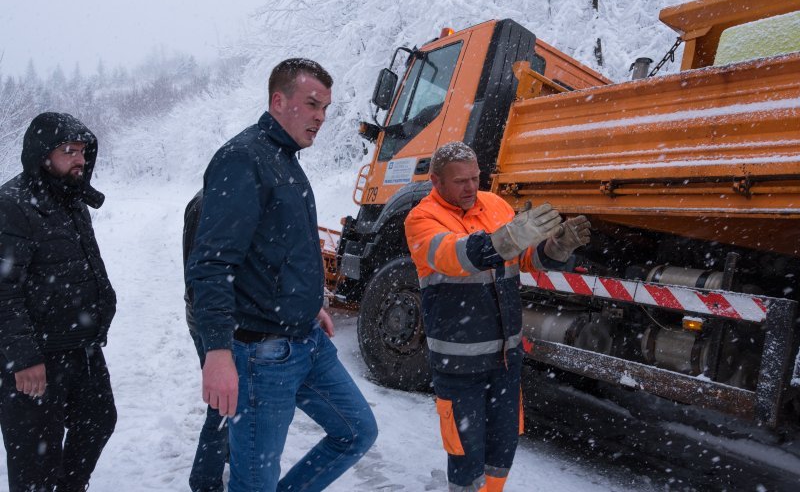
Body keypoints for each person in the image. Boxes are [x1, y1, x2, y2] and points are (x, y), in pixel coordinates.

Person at [186, 58, 378, 492]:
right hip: (261, 356)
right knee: (255, 483)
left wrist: (314, 304)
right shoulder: (242, 159)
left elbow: (288, 248)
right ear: (278, 100)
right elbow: (212, 263)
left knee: (356, 432)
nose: (321, 117)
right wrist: (217, 351)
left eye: (326, 108)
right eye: (312, 104)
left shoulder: (285, 159)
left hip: (306, 342)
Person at [405, 141, 590, 492]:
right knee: (466, 454)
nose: (471, 187)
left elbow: (524, 258)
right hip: (459, 365)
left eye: (475, 178)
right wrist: (503, 240)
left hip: (505, 359)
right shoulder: (421, 219)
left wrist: (556, 248)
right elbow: (455, 256)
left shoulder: (494, 205)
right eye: (460, 181)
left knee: (502, 450)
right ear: (436, 181)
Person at [0, 112, 117, 492]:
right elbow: (4, 289)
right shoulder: (13, 204)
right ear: (42, 155)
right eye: (69, 151)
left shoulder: (71, 199)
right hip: (37, 356)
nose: (80, 159)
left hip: (79, 347)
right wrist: (24, 358)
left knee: (99, 421)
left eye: (83, 151)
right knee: (36, 462)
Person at [183, 190, 228, 492]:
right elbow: (210, 272)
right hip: (214, 320)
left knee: (228, 402)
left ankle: (228, 454)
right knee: (225, 403)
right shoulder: (216, 204)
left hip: (207, 316)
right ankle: (205, 481)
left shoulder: (206, 198)